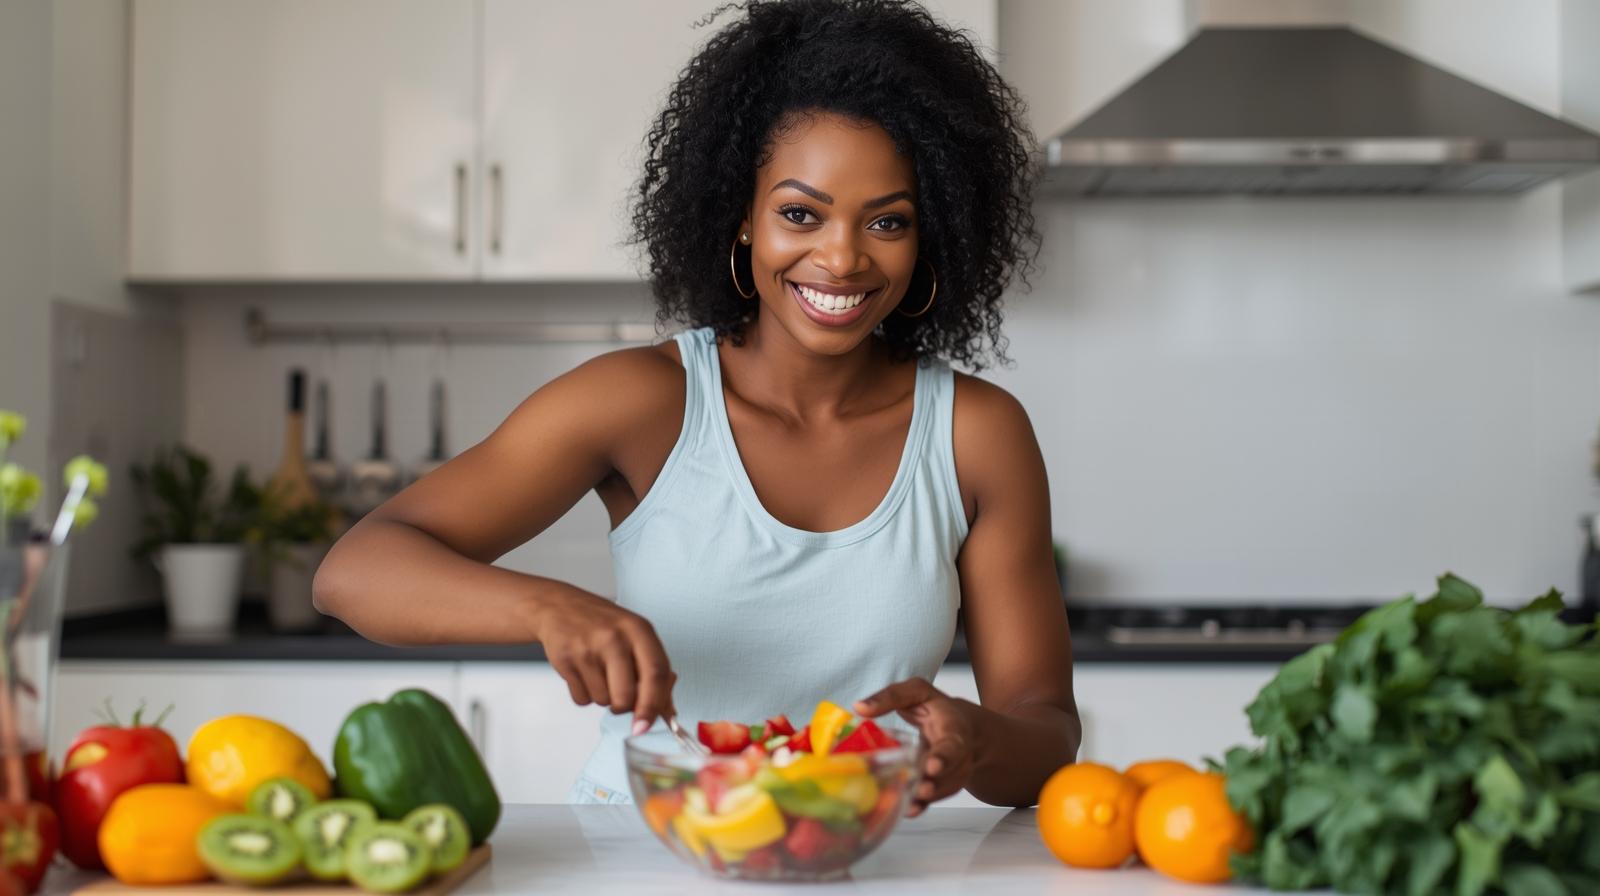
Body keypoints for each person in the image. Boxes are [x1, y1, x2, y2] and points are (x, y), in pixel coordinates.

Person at [314, 0, 1080, 813]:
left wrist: (973, 740)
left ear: (932, 236)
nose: (843, 257)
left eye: (887, 221)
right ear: (741, 219)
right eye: (799, 214)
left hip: (856, 857)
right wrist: (548, 608)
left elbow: (1046, 730)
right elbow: (354, 570)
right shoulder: (641, 401)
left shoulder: (976, 433)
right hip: (642, 860)